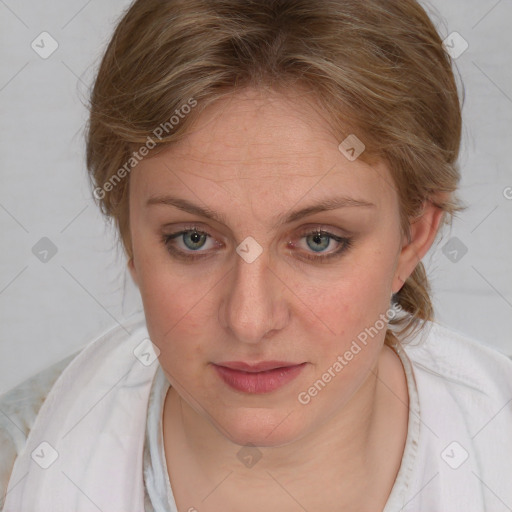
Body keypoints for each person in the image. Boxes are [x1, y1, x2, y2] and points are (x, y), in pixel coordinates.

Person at [1, 0, 511, 510]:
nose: (249, 320)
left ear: (412, 237)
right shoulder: (20, 467)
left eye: (319, 241)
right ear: (129, 234)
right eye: (193, 239)